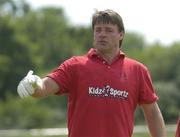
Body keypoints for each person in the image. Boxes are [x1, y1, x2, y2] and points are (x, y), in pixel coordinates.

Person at [17, 9, 166, 137]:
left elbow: (152, 113)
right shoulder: (75, 65)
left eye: (108, 30)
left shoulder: (137, 70)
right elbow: (43, 89)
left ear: (121, 34)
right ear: (93, 34)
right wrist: (34, 83)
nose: (102, 34)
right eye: (98, 30)